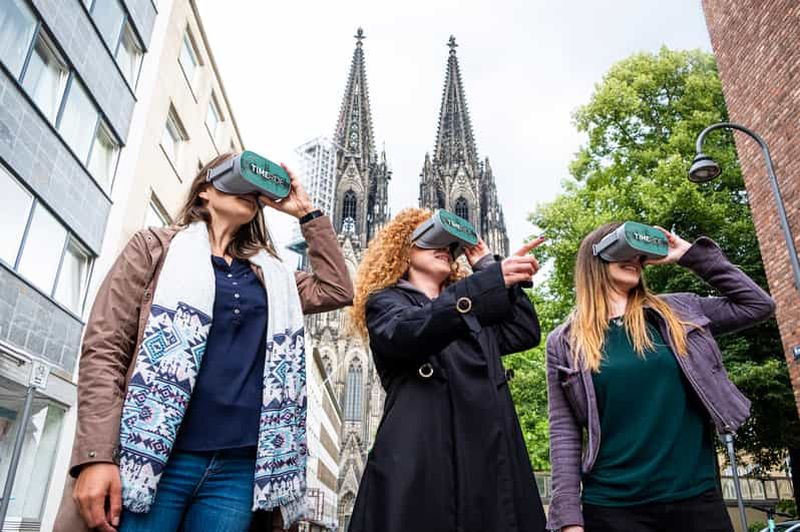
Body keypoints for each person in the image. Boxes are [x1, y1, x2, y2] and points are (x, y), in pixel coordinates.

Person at [53, 152, 353, 532]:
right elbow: (105, 350)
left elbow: (337, 289)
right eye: (238, 181)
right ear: (204, 191)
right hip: (155, 457)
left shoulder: (272, 276)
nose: (249, 192)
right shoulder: (154, 249)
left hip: (237, 469)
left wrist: (306, 212)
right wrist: (96, 455)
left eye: (255, 190)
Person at [546, 222, 776, 532]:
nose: (634, 259)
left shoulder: (678, 311)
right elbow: (564, 431)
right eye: (624, 250)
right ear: (596, 256)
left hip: (695, 500)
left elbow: (758, 305)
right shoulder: (565, 341)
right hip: (613, 509)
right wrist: (568, 519)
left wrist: (689, 255)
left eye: (639, 254)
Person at [347, 208, 548, 532]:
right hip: (420, 463)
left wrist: (489, 267)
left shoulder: (476, 307)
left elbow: (524, 331)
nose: (444, 248)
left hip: (484, 461)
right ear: (403, 249)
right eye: (431, 240)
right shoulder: (385, 304)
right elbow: (409, 332)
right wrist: (479, 288)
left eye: (451, 245)